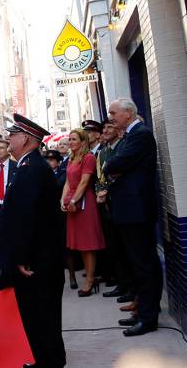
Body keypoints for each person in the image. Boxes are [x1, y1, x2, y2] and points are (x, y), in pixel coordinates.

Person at [0, 113, 66, 368]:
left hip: (37, 259)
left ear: (26, 138)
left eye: (12, 135)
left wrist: (23, 256)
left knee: (41, 314)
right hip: (39, 256)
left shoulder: (31, 168)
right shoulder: (29, 165)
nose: (8, 139)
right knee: (40, 314)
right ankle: (47, 360)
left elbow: (29, 218)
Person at [103, 98, 161, 337]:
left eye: (113, 113)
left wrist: (111, 166)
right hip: (129, 211)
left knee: (144, 264)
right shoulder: (130, 135)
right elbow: (114, 165)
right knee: (138, 263)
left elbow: (114, 162)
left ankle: (148, 318)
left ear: (128, 113)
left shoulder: (140, 135)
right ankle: (143, 311)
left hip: (136, 211)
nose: (111, 117)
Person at [61, 128, 106, 296]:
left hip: (85, 203)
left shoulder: (88, 158)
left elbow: (84, 182)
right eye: (69, 139)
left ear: (82, 141)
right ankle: (90, 276)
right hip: (72, 202)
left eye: (73, 139)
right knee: (79, 244)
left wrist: (74, 200)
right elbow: (67, 181)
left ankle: (90, 279)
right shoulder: (71, 158)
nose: (70, 142)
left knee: (88, 244)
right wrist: (62, 199)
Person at [95, 119, 125, 298]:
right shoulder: (103, 152)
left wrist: (107, 190)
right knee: (115, 246)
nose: (105, 130)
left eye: (110, 127)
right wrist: (100, 192)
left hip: (121, 201)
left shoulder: (123, 147)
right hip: (106, 204)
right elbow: (100, 177)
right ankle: (122, 284)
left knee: (126, 247)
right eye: (104, 127)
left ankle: (131, 288)